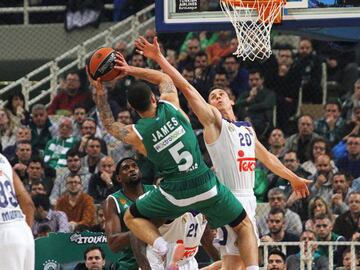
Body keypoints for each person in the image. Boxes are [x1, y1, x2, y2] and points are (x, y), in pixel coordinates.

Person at [134, 36, 310, 269]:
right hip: (230, 198)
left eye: (220, 95)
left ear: (232, 100)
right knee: (237, 264)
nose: (216, 98)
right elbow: (186, 87)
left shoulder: (246, 129)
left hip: (249, 199)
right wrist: (159, 58)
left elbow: (268, 158)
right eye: (212, 97)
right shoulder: (215, 123)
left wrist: (293, 178)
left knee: (231, 265)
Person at [90, 53, 260, 270]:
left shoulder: (137, 134)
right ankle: (255, 268)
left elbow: (109, 124)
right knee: (244, 226)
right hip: (205, 183)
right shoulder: (172, 106)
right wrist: (129, 69)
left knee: (132, 216)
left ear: (133, 109)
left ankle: (162, 247)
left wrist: (100, 94)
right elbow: (164, 78)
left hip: (175, 192)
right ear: (154, 98)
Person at [103, 157, 154, 270]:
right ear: (118, 178)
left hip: (161, 256)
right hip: (131, 263)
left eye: (134, 166)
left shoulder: (154, 191)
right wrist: (140, 231)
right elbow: (113, 244)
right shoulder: (112, 201)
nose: (131, 169)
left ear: (140, 171)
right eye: (126, 168)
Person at [0, 153, 35, 269]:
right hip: (23, 231)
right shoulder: (3, 159)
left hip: (3, 233)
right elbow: (28, 203)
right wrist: (25, 233)